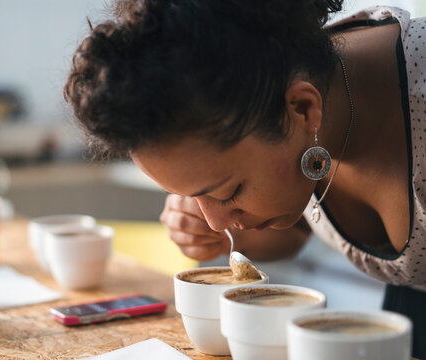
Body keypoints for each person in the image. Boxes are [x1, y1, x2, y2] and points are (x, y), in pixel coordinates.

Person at [64, 0, 425, 357]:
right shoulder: (286, 79)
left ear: (302, 108)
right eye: (192, 196)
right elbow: (300, 227)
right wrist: (222, 239)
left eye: (227, 191)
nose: (214, 221)